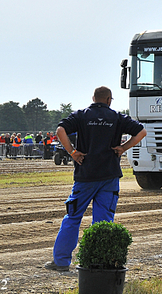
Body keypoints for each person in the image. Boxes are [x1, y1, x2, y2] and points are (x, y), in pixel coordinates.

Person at [44, 86, 147, 272]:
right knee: (103, 221)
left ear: (93, 98)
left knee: (73, 217)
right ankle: (98, 263)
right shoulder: (117, 117)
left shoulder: (81, 115)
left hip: (85, 175)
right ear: (109, 100)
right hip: (109, 176)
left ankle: (61, 262)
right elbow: (141, 132)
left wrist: (73, 153)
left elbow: (60, 130)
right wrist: (123, 148)